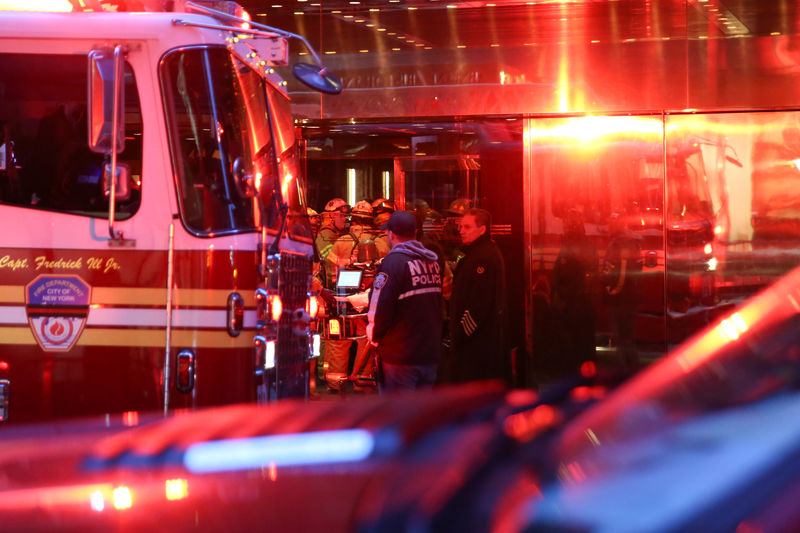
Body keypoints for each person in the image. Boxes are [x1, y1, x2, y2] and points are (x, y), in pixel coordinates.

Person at [367, 210, 443, 391]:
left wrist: (375, 337)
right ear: (415, 233)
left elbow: (379, 307)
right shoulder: (431, 261)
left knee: (399, 414)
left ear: (391, 234)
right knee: (422, 415)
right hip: (429, 353)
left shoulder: (393, 264)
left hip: (400, 358)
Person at [449, 207, 507, 383]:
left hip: (477, 345)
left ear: (482, 230)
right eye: (460, 227)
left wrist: (460, 333)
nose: (461, 231)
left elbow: (480, 304)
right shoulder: (476, 253)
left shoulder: (484, 257)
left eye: (467, 227)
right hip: (474, 342)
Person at [550, 208, 598, 376]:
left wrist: (559, 297)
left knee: (573, 348)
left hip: (571, 306)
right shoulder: (587, 245)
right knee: (585, 347)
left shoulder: (570, 246)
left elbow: (565, 276)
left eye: (565, 223)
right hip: (585, 304)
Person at [602, 212, 643, 372]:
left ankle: (626, 378)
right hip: (632, 299)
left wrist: (610, 292)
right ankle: (635, 374)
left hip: (619, 299)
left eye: (611, 223)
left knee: (621, 339)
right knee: (628, 338)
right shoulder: (634, 243)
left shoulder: (617, 245)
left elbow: (616, 275)